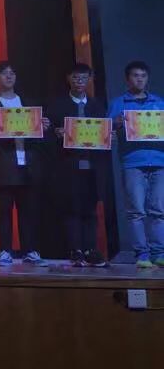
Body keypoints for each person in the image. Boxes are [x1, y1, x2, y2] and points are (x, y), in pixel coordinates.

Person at [0, 61, 50, 266]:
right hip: (3, 164)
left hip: (28, 162)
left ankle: (30, 250)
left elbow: (40, 134)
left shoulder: (27, 101)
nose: (9, 77)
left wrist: (44, 126)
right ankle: (5, 251)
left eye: (12, 73)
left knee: (28, 210)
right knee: (4, 209)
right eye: (4, 73)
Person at [45, 63, 109, 267]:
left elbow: (104, 134)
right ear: (68, 79)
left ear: (89, 79)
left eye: (83, 77)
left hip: (93, 165)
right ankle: (75, 250)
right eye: (75, 77)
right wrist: (55, 133)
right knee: (71, 209)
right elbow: (44, 135)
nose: (79, 81)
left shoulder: (97, 106)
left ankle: (91, 249)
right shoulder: (57, 106)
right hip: (67, 165)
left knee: (90, 209)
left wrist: (109, 136)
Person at [107, 60, 164, 269]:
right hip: (133, 162)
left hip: (159, 160)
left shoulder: (159, 102)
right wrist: (115, 124)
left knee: (158, 211)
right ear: (127, 79)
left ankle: (159, 253)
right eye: (135, 75)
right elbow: (105, 132)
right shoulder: (119, 103)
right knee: (136, 211)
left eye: (143, 76)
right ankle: (142, 253)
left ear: (147, 79)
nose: (139, 79)